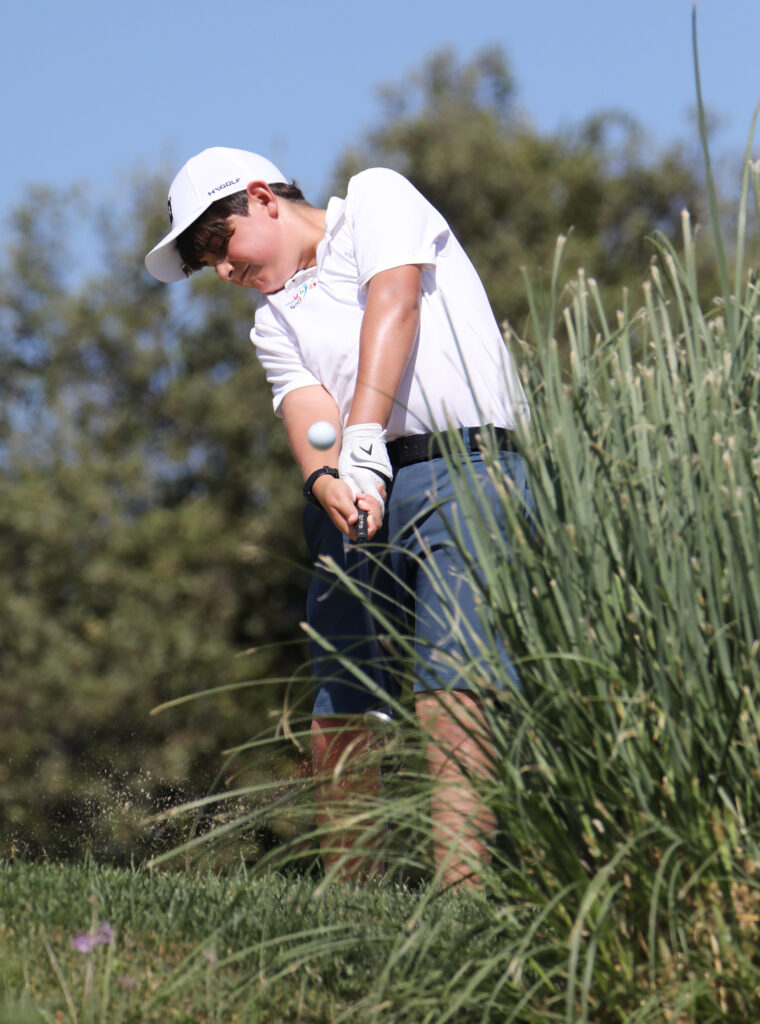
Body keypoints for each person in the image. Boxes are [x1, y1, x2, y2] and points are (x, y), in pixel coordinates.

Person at [145, 147, 531, 887]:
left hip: (468, 468)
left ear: (262, 197)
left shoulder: (375, 199)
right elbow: (306, 407)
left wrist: (362, 439)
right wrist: (326, 476)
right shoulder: (272, 321)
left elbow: (396, 303)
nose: (222, 270)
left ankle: (463, 896)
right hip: (358, 491)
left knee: (454, 686)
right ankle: (355, 899)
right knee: (341, 702)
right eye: (203, 263)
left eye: (218, 243)